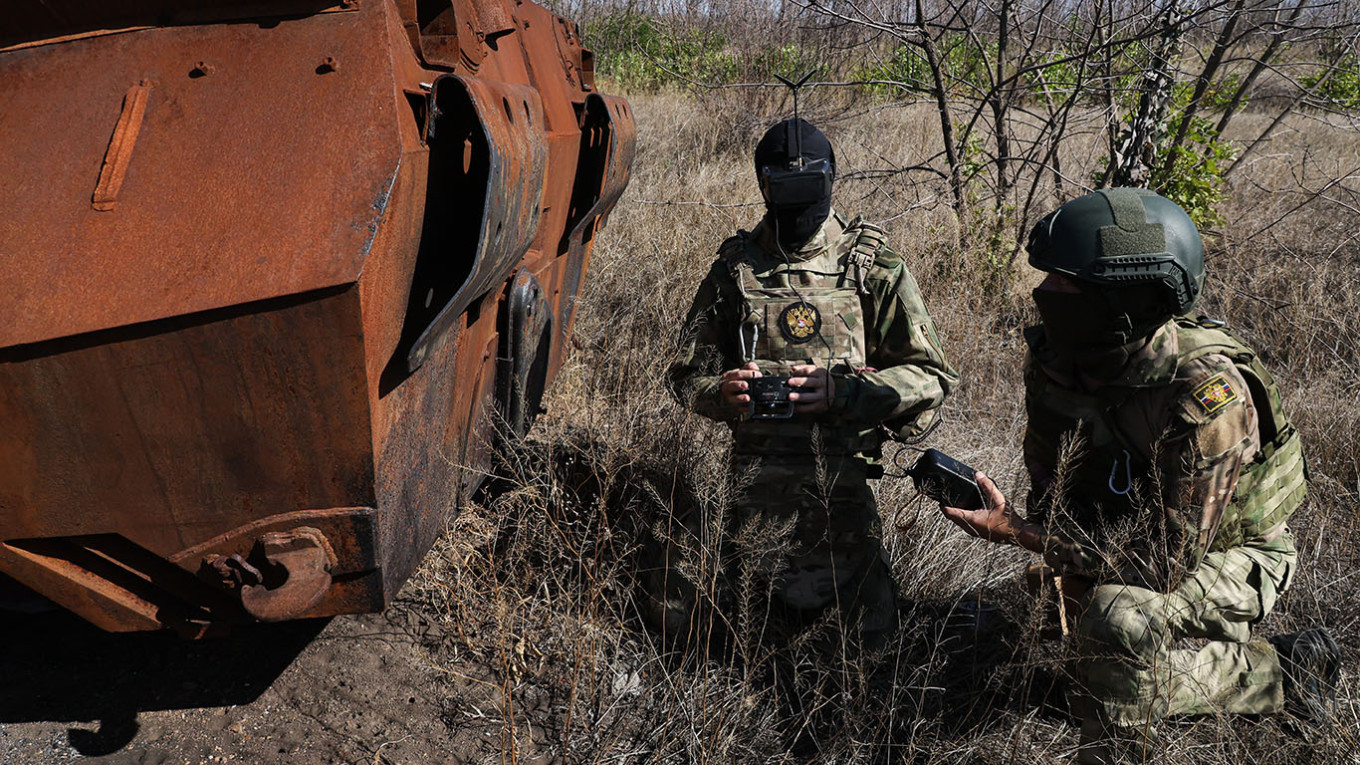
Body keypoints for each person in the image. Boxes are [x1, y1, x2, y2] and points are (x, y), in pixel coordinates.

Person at [937, 188, 1337, 762]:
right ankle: (1112, 672)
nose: (1044, 291)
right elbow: (1054, 479)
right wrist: (1054, 555)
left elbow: (1164, 566)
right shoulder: (1059, 358)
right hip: (1119, 534)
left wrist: (1022, 536)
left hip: (1236, 555)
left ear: (1121, 304)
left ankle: (1283, 671)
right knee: (1005, 625)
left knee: (1115, 626)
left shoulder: (1203, 397)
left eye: (1066, 282)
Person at [662, 117, 957, 651]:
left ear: (830, 181)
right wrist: (720, 393)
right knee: (734, 661)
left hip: (843, 504)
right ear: (764, 186)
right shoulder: (735, 271)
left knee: (864, 668)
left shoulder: (871, 268)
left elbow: (932, 377)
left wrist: (847, 394)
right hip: (752, 507)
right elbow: (682, 373)